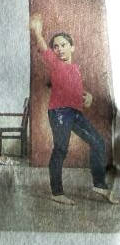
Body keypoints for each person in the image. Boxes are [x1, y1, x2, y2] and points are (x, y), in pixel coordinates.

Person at [29, 14, 118, 205]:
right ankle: (57, 192)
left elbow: (75, 90)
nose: (59, 49)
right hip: (59, 112)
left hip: (75, 113)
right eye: (56, 46)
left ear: (72, 47)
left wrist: (88, 96)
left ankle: (99, 185)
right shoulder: (55, 64)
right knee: (61, 148)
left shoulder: (75, 69)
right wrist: (36, 31)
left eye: (63, 45)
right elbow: (43, 46)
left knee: (98, 142)